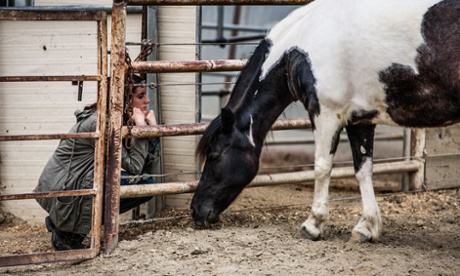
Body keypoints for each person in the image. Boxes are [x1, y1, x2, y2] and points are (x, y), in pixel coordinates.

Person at [34, 75, 160, 251]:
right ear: (124, 99)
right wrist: (142, 131)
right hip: (67, 187)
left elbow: (147, 171)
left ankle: (64, 224)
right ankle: (66, 232)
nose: (147, 101)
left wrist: (152, 136)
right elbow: (135, 167)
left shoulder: (117, 120)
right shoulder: (103, 123)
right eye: (140, 96)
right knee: (145, 184)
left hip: (75, 183)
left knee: (147, 184)